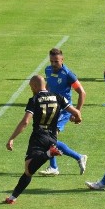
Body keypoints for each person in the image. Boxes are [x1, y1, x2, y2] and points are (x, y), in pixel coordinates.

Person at [5, 75, 82, 204]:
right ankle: (12, 198)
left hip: (38, 137)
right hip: (52, 137)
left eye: (31, 87)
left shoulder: (34, 99)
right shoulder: (59, 97)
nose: (31, 90)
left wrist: (12, 138)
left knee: (28, 170)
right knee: (29, 170)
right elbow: (76, 113)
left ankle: (49, 153)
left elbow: (25, 122)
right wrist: (77, 119)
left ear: (35, 86)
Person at [39, 48, 88, 176]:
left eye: (56, 61)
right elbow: (49, 85)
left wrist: (76, 111)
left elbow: (82, 92)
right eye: (51, 61)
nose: (53, 64)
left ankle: (58, 165)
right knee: (48, 138)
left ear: (62, 60)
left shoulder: (68, 74)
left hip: (64, 110)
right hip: (51, 109)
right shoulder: (48, 70)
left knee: (49, 138)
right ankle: (74, 159)